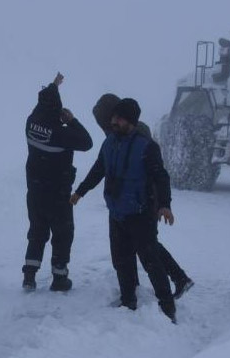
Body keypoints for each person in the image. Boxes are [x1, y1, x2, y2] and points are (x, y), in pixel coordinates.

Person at [71, 98, 177, 323]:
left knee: (151, 262)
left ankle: (168, 307)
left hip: (140, 213)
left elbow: (161, 176)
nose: (113, 121)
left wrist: (165, 204)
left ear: (130, 121)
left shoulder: (147, 147)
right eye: (113, 117)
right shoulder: (109, 143)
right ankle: (128, 300)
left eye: (118, 118)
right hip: (117, 213)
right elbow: (98, 169)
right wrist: (80, 191)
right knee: (121, 260)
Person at [92, 94, 194, 300]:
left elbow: (151, 172)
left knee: (146, 247)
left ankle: (173, 283)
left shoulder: (136, 134)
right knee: (145, 245)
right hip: (131, 202)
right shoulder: (120, 131)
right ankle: (172, 279)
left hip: (144, 201)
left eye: (104, 121)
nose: (107, 126)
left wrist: (159, 204)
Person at [22, 73, 93, 291]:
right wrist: (71, 121)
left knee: (37, 232)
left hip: (35, 191)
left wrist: (54, 85)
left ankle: (29, 277)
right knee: (62, 234)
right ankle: (59, 278)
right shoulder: (62, 134)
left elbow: (43, 105)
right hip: (58, 194)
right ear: (58, 110)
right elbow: (87, 142)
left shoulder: (31, 123)